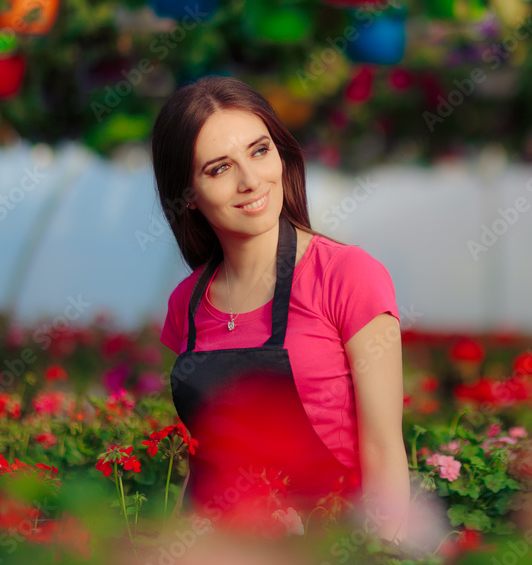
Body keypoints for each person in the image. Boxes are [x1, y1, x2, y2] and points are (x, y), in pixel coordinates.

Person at [149, 76, 409, 544]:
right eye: (218, 168)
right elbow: (203, 462)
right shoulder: (185, 303)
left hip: (328, 546)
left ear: (282, 153)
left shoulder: (348, 275)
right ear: (186, 195)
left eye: (259, 150)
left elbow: (384, 450)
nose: (251, 181)